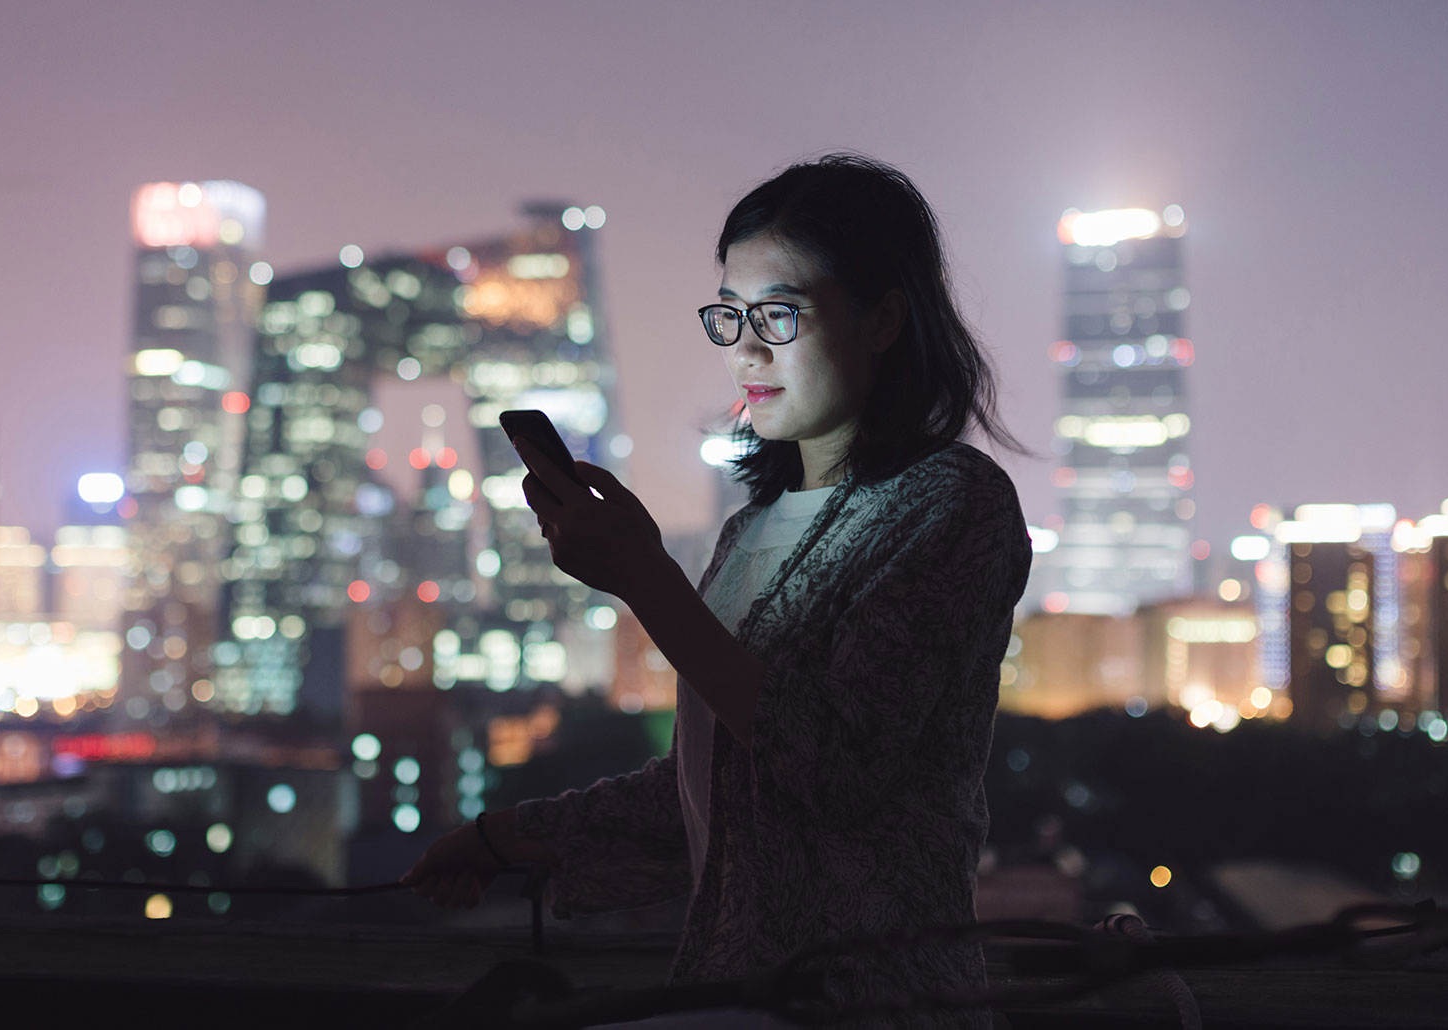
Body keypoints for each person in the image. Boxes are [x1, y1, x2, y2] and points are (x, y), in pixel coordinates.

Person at [402, 153, 1032, 1028]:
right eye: (729, 315)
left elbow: (838, 768)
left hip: (879, 1001)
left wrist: (648, 582)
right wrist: (504, 838)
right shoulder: (746, 534)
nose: (746, 347)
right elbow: (712, 793)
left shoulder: (952, 503)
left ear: (884, 317)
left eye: (780, 312)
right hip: (732, 994)